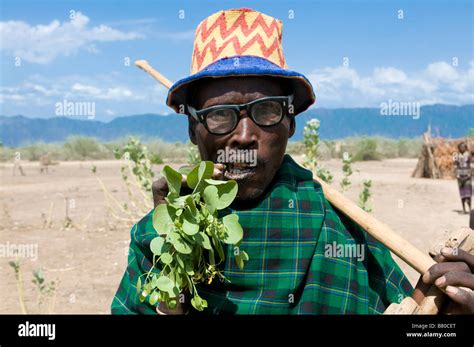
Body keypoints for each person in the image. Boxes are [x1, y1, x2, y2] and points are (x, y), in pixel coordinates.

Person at [112, 8, 474, 314]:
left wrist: (442, 309)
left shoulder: (340, 228)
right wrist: (173, 262)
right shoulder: (160, 237)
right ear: (193, 129)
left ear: (290, 122)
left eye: (266, 111)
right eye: (220, 115)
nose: (243, 136)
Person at [455, 142, 472, 214]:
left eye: (464, 147)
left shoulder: (468, 155)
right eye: (461, 147)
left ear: (466, 148)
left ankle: (470, 209)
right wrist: (457, 175)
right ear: (459, 148)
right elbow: (455, 165)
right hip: (460, 176)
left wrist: (469, 174)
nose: (462, 148)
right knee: (462, 194)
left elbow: (470, 164)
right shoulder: (456, 155)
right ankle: (464, 209)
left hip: (467, 176)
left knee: (468, 193)